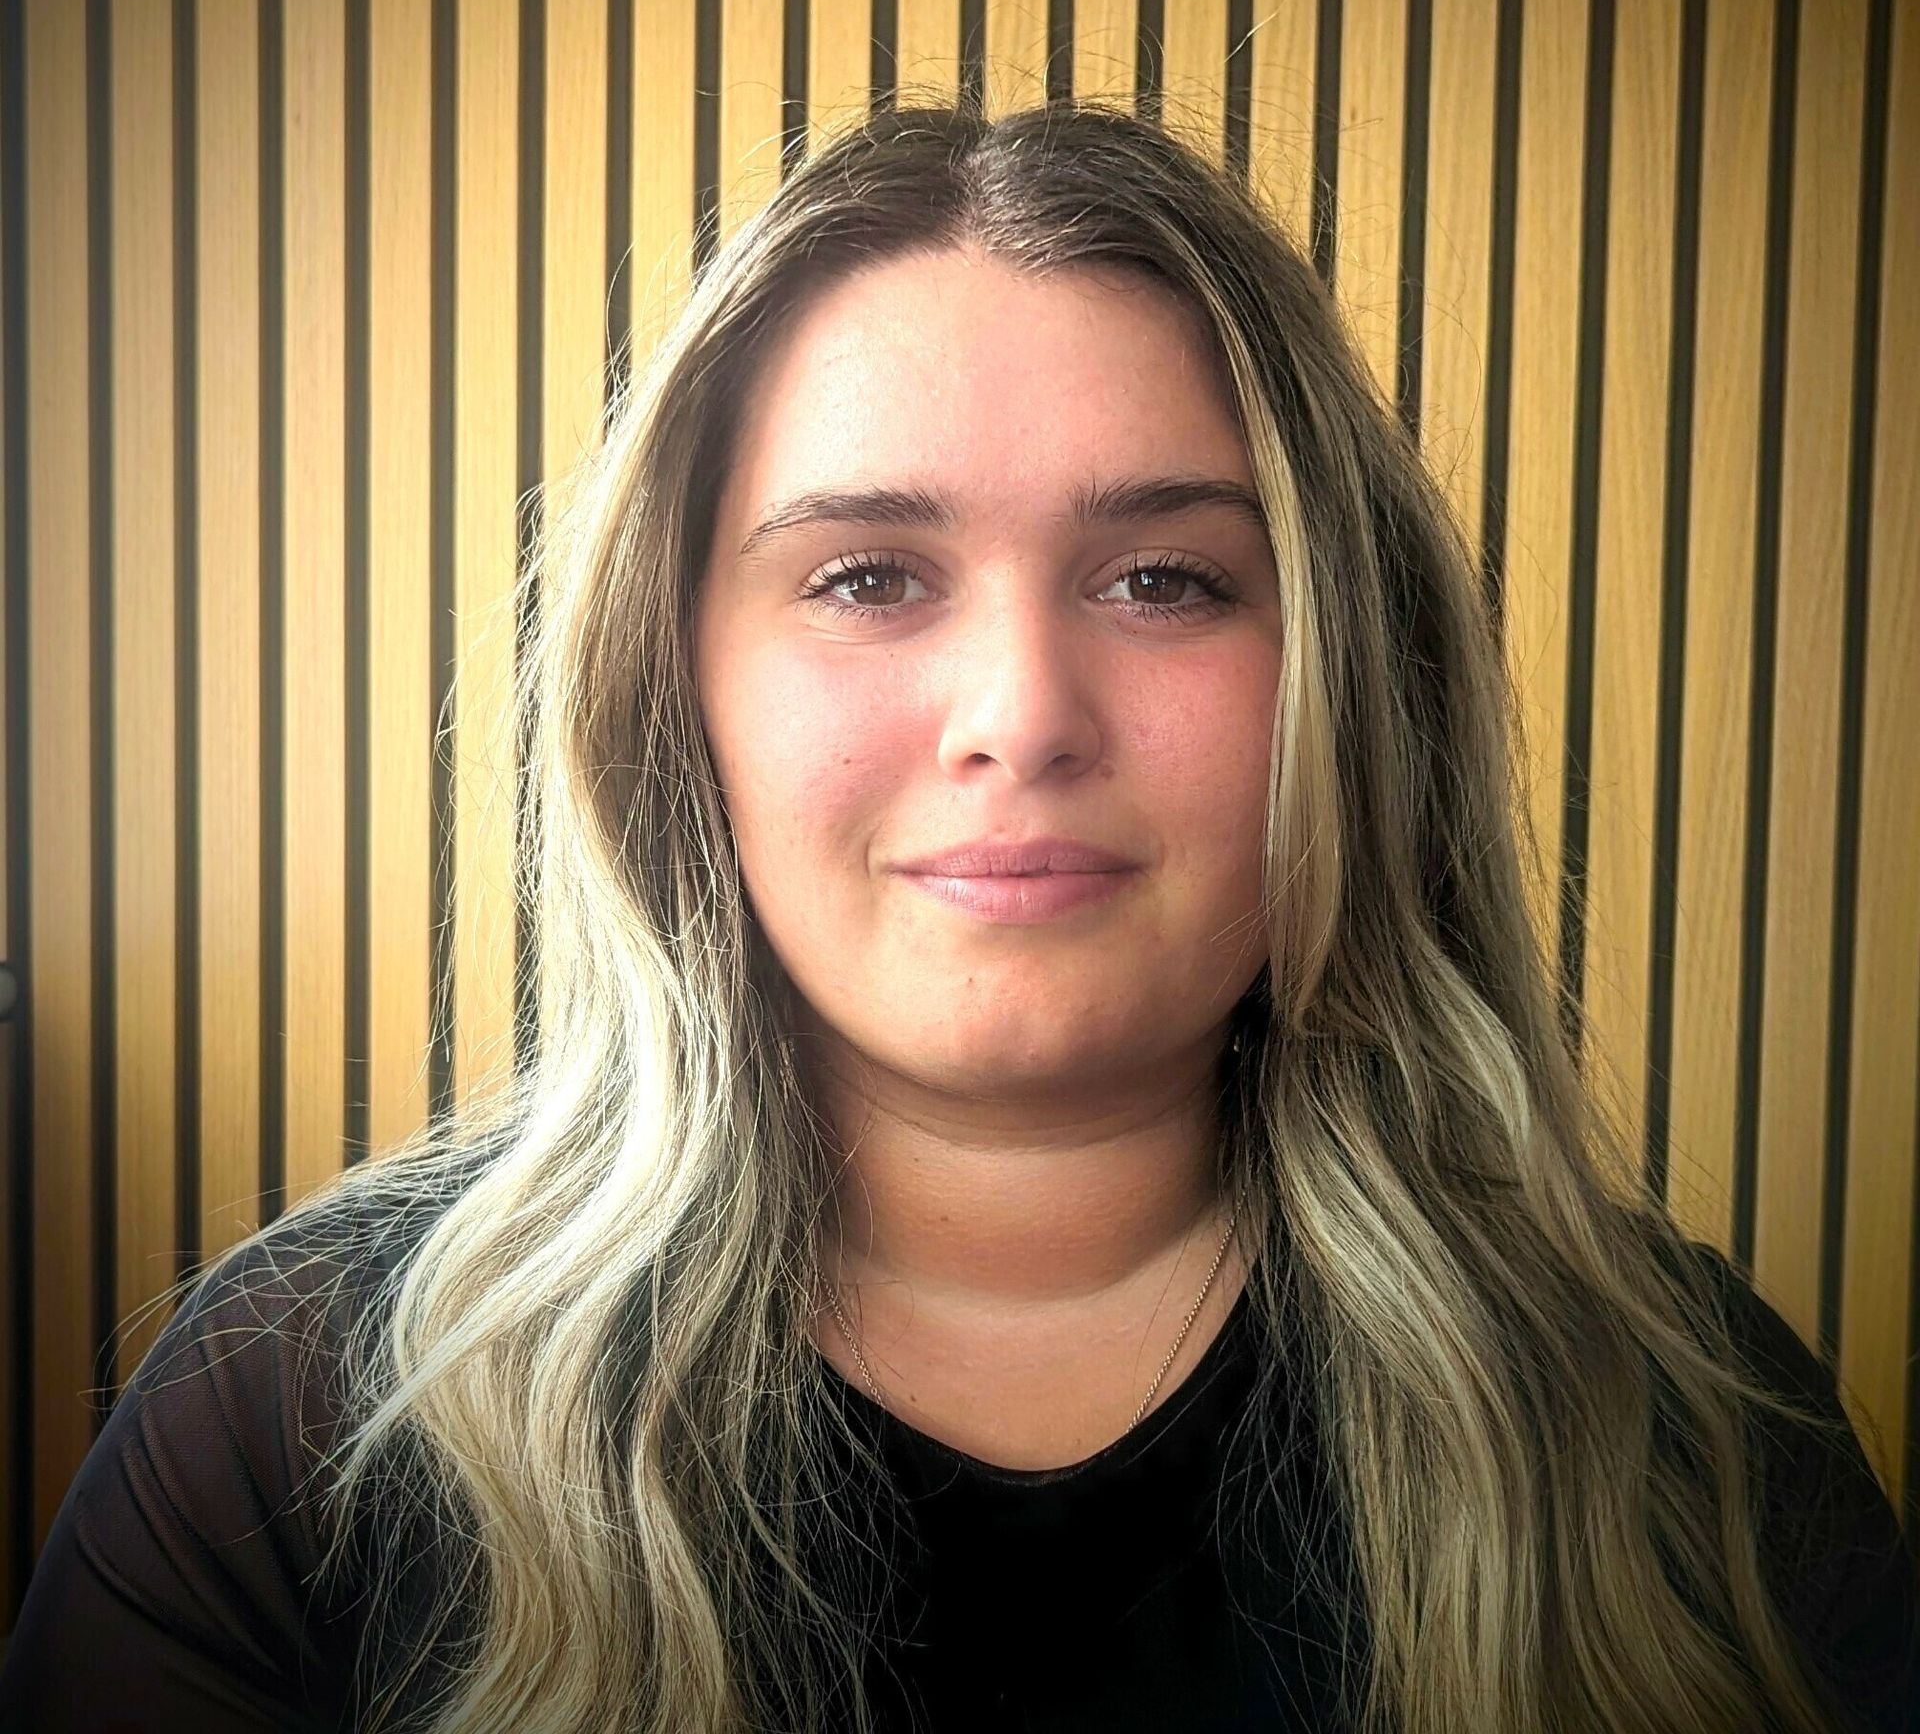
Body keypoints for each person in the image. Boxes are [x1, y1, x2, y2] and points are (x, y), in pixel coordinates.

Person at [1, 97, 1914, 1734]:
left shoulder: (1694, 1441)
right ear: (679, 691)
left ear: (1353, 679)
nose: (1020, 716)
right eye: (864, 579)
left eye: (1167, 579)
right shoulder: (296, 1422)